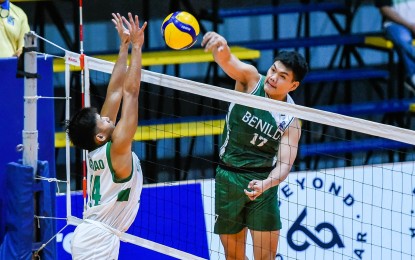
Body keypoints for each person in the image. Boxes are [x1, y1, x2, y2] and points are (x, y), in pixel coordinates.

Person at [202, 32, 308, 259]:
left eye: (282, 76)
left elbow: (284, 165)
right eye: (272, 70)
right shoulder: (251, 79)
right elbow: (228, 62)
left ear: (293, 85)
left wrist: (266, 184)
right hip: (228, 179)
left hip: (262, 184)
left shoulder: (291, 121)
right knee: (233, 256)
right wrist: (221, 48)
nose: (273, 77)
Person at [66, 12, 147, 260]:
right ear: (99, 136)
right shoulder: (118, 148)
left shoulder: (99, 146)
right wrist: (137, 47)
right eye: (103, 120)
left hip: (96, 235)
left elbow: (114, 93)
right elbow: (130, 94)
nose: (108, 118)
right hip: (98, 239)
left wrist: (123, 46)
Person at [374, 0, 415, 93]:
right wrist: (410, 26)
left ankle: (412, 78)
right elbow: (384, 9)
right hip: (395, 24)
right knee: (403, 38)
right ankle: (413, 77)